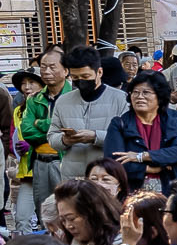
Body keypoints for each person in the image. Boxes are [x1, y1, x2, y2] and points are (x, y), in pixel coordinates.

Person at [50, 45, 130, 181]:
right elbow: (52, 136)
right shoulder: (63, 101)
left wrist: (95, 136)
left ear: (99, 72)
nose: (80, 81)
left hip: (107, 177)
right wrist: (64, 140)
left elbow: (128, 137)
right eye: (75, 77)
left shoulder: (121, 99)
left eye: (85, 76)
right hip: (72, 177)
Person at [101, 70, 177, 189]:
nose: (139, 97)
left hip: (170, 189)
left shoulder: (173, 121)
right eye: (135, 92)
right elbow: (114, 161)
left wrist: (140, 156)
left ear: (159, 97)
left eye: (146, 92)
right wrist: (150, 168)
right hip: (132, 190)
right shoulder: (119, 124)